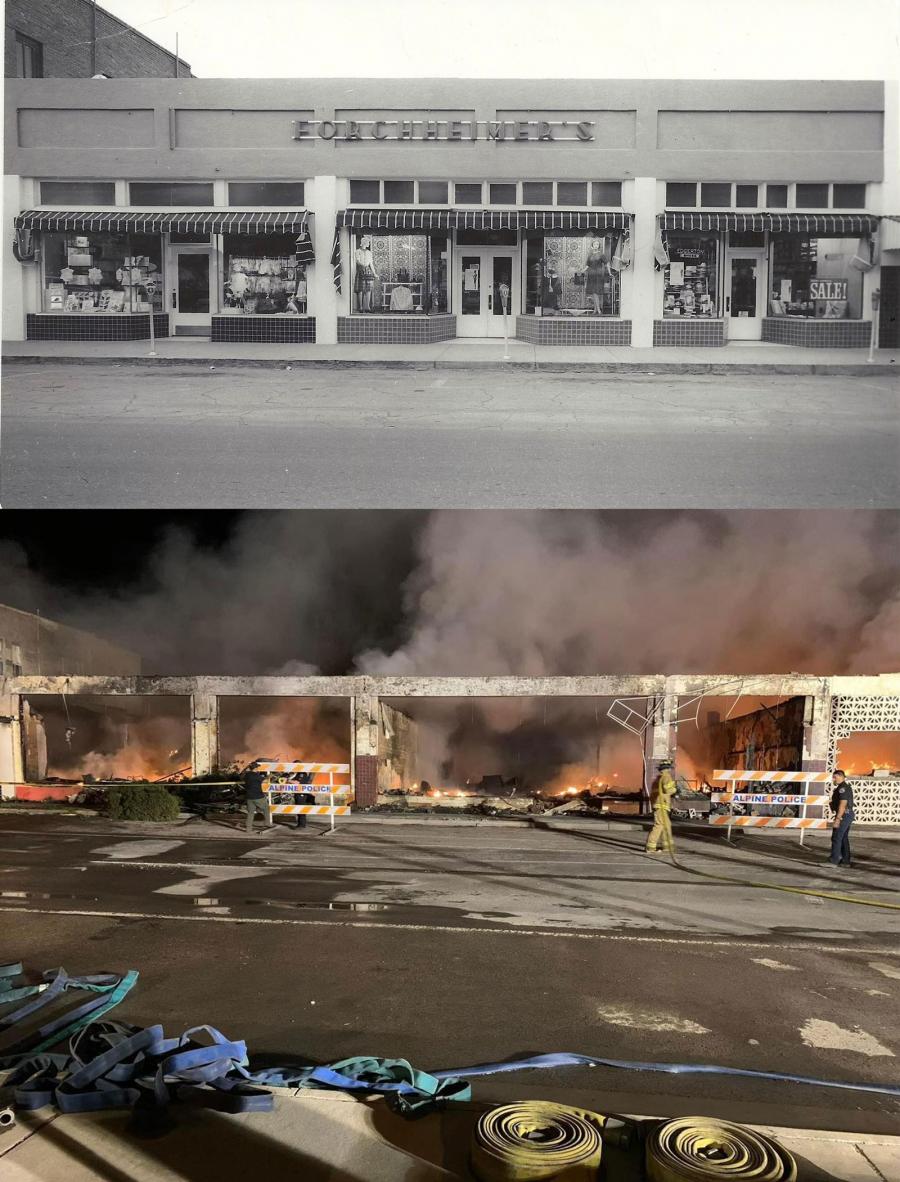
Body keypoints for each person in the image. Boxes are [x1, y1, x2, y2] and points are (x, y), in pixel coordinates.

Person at [645, 759, 677, 854]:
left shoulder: (658, 779)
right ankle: (650, 847)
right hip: (662, 805)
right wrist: (675, 789)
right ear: (668, 768)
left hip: (659, 805)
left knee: (667, 825)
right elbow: (668, 790)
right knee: (659, 825)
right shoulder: (667, 777)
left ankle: (667, 847)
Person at [828, 769, 854, 867]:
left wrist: (838, 819)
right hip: (847, 814)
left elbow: (843, 804)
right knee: (843, 838)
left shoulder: (842, 788)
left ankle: (834, 860)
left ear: (840, 776)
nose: (833, 779)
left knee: (836, 837)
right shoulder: (843, 787)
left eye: (834, 777)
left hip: (844, 815)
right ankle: (845, 861)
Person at [242, 759, 272, 836]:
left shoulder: (247, 775)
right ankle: (267, 823)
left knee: (251, 813)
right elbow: (264, 780)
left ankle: (248, 828)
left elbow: (242, 776)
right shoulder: (257, 776)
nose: (258, 768)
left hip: (249, 797)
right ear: (255, 768)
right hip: (258, 796)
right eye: (257, 767)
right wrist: (269, 776)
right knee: (266, 808)